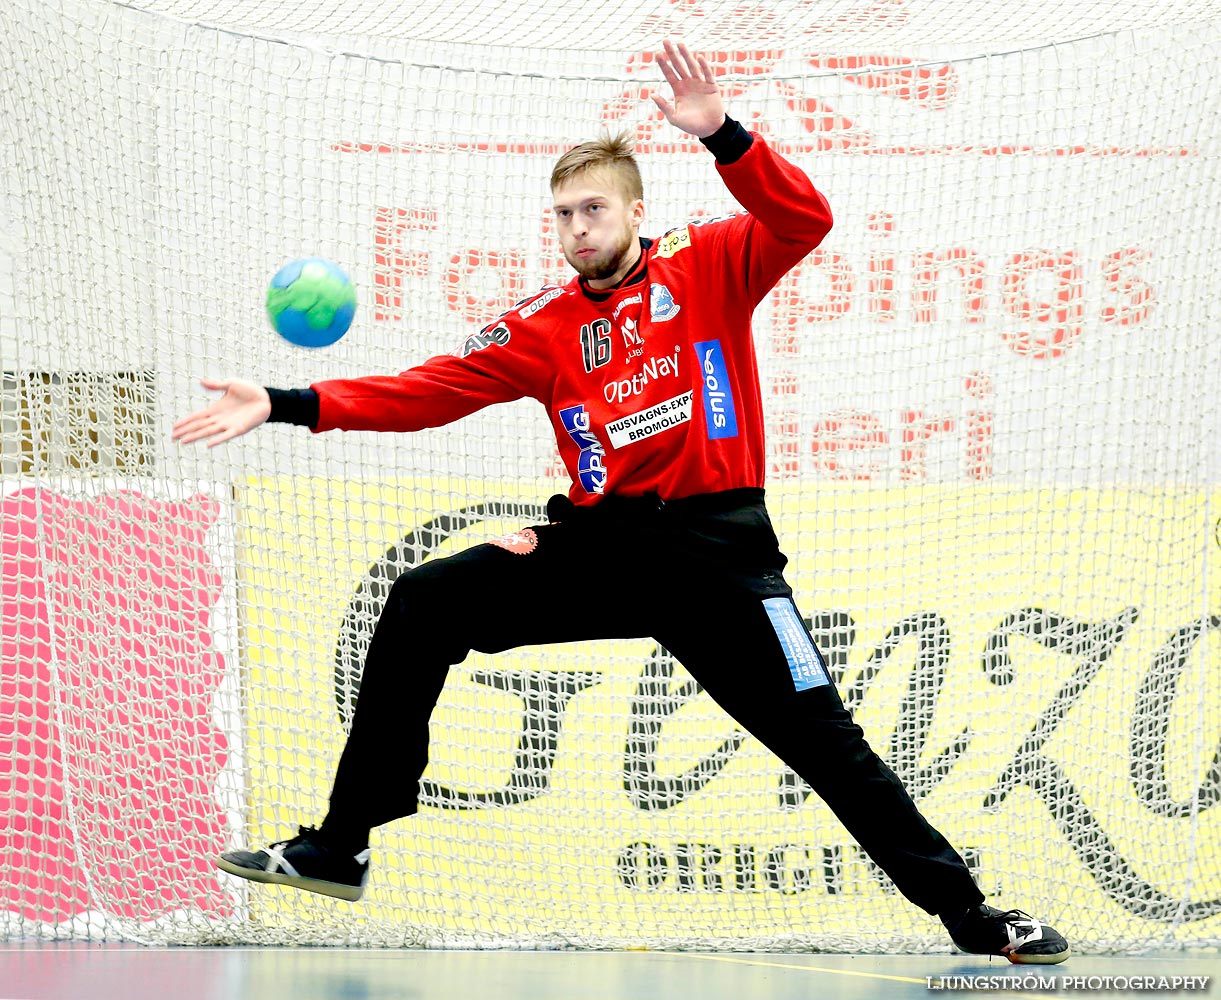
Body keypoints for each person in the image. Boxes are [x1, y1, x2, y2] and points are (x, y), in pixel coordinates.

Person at [173, 40, 1069, 964]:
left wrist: (722, 134)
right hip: (600, 547)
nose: (576, 228)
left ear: (636, 211)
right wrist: (287, 403)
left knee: (822, 737)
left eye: (592, 209)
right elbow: (427, 390)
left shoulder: (709, 263)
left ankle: (972, 915)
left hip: (718, 554)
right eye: (562, 215)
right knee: (426, 598)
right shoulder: (542, 325)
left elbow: (804, 219)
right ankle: (341, 843)